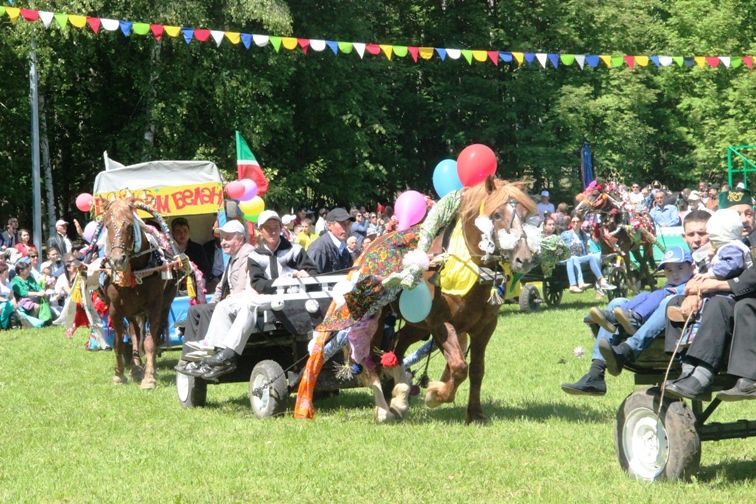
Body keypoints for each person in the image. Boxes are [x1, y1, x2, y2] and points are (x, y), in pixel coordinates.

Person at [562, 211, 711, 396]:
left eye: (702, 233)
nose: (697, 239)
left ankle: (628, 348)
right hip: (667, 315)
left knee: (667, 300)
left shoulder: (714, 256)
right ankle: (596, 374)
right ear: (684, 236)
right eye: (691, 234)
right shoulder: (692, 258)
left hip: (688, 321)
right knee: (617, 301)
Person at [181, 210, 318, 379]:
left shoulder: (295, 250)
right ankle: (216, 350)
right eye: (268, 228)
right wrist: (281, 281)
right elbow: (258, 284)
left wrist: (304, 274)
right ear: (260, 230)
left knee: (250, 304)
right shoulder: (256, 255)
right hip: (268, 297)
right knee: (223, 305)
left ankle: (230, 353)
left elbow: (313, 272)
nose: (273, 231)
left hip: (292, 298)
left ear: (281, 228)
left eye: (276, 227)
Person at [663, 190, 756, 400]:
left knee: (719, 305)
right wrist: (695, 290)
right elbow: (703, 273)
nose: (744, 220)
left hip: (741, 300)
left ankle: (703, 374)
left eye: (748, 213)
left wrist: (719, 285)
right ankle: (684, 367)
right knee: (675, 301)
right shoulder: (719, 244)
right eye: (737, 215)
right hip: (733, 298)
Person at [181, 220, 254, 344]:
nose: (223, 242)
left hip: (240, 304)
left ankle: (203, 350)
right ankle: (188, 356)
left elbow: (240, 288)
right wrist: (214, 302)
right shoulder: (233, 257)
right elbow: (220, 287)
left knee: (206, 311)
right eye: (222, 239)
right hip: (228, 302)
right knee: (194, 310)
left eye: (227, 238)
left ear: (240, 239)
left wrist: (218, 305)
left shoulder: (248, 255)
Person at [559, 216, 613, 293]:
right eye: (573, 222)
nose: (575, 223)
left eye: (577, 221)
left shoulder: (584, 235)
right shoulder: (565, 234)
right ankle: (578, 284)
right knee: (573, 257)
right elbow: (559, 244)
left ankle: (601, 280)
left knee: (591, 256)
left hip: (580, 258)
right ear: (571, 223)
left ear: (581, 223)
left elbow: (588, 247)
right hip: (569, 259)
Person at [307, 207, 354, 274]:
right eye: (342, 223)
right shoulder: (319, 248)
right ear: (329, 225)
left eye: (348, 223)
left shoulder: (343, 248)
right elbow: (310, 279)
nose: (346, 227)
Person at [11, 260, 51, 326]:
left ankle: (44, 320)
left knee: (44, 300)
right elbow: (23, 293)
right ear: (21, 271)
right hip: (21, 300)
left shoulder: (29, 278)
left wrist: (42, 292)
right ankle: (32, 323)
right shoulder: (15, 281)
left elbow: (37, 287)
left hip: (32, 298)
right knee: (36, 306)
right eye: (27, 269)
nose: (29, 270)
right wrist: (37, 294)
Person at [0, 263, 15, 329]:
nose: (7, 273)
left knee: (11, 305)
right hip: (2, 303)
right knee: (6, 306)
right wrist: (5, 300)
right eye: (6, 271)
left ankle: (4, 325)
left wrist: (14, 301)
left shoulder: (8, 283)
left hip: (8, 302)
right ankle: (3, 325)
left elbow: (12, 296)